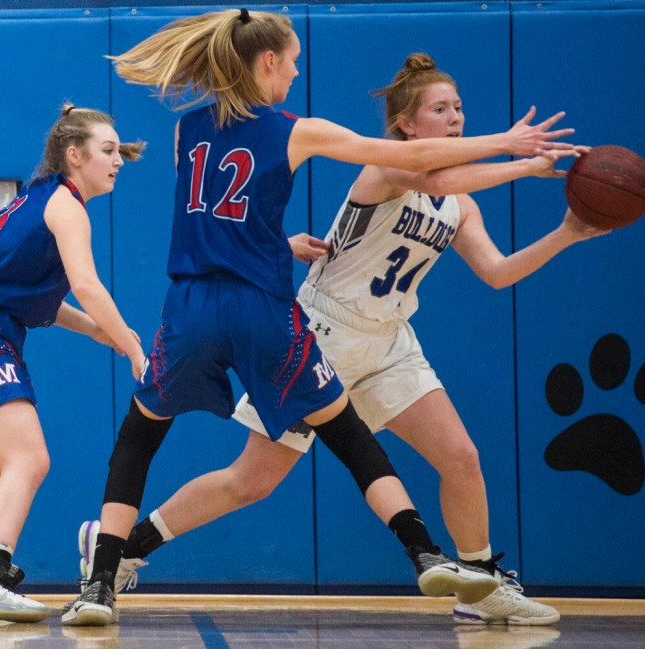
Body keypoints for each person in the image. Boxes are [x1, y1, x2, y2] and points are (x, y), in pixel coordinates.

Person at [60, 9, 576, 627]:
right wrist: (515, 151)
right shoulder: (372, 161)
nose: (456, 117)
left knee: (460, 456)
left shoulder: (457, 204)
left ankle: (482, 581)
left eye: (460, 107)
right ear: (407, 122)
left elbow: (228, 220)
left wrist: (569, 228)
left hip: (384, 340)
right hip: (316, 324)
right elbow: (424, 166)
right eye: (443, 109)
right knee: (252, 481)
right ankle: (124, 550)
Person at [0, 104, 146, 623]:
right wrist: (132, 347)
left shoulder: (42, 199)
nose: (118, 161)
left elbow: (38, 299)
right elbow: (87, 285)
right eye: (108, 151)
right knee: (29, 460)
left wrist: (99, 331)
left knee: (7, 466)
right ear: (75, 155)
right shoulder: (67, 206)